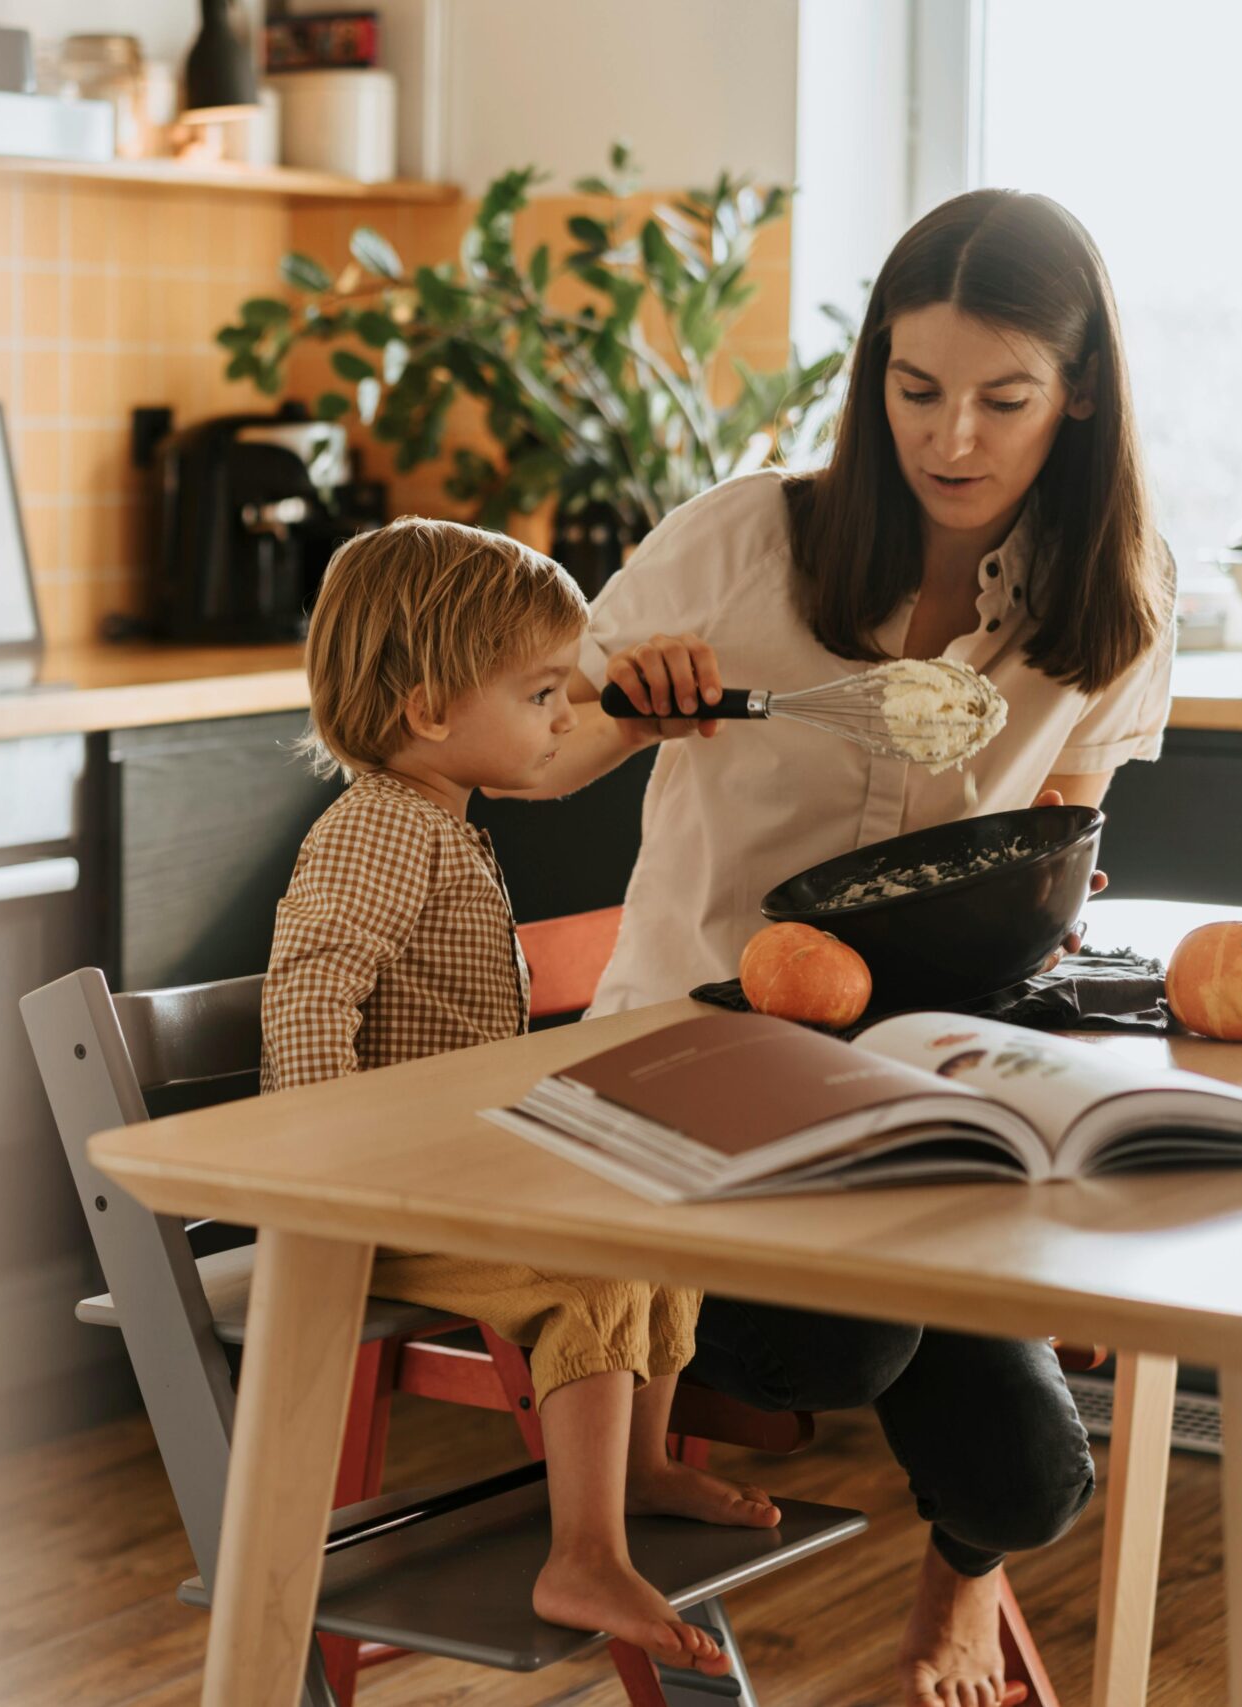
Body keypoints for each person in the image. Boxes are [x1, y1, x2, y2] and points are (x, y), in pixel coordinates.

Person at [506, 189, 1175, 1707]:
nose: (953, 437)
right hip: (686, 1081)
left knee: (1033, 1473)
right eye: (916, 388)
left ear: (1077, 396)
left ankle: (955, 1584)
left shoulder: (1116, 609)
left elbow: (1058, 833)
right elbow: (531, 753)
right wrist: (616, 701)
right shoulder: (748, 543)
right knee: (845, 1349)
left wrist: (1049, 891)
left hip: (907, 1092)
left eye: (1003, 398)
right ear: (873, 377)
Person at [260, 516, 775, 1674]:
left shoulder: (434, 819)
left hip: (441, 1177)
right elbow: (305, 991)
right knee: (592, 1261)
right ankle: (582, 1548)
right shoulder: (383, 832)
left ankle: (634, 1470)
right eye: (541, 691)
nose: (561, 715)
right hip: (376, 1203)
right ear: (433, 709)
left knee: (656, 1216)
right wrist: (323, 1168)